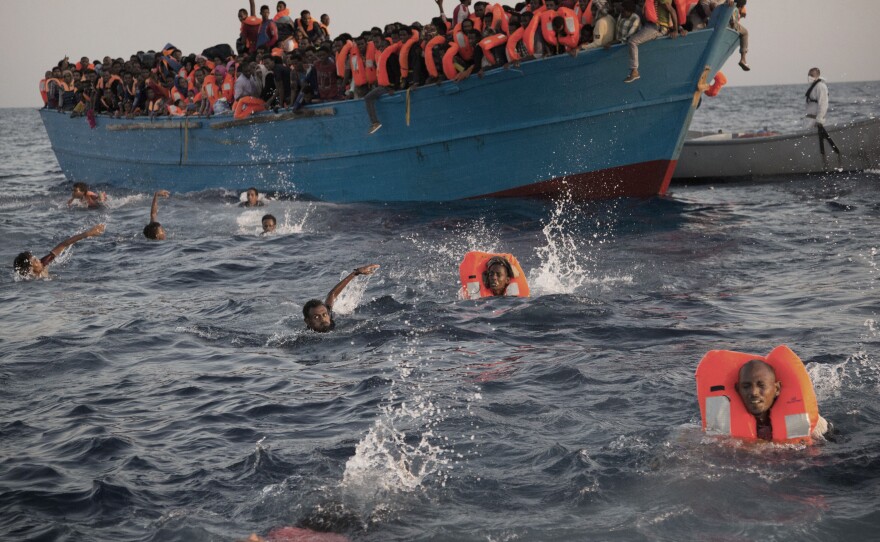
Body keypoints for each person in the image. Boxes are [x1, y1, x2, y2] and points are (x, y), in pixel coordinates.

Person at [736, 359, 829, 441]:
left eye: (761, 385)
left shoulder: (811, 422)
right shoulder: (727, 424)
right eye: (746, 386)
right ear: (738, 389)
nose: (754, 392)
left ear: (776, 389)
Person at [302, 264, 380, 333]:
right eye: (316, 317)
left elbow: (333, 294)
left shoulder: (329, 315)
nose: (322, 319)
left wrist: (356, 272)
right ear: (307, 321)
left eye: (324, 315)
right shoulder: (306, 335)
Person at [13, 224, 106, 279]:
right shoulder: (31, 280)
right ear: (30, 269)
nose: (38, 259)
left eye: (35, 258)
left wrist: (88, 233)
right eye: (34, 261)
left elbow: (64, 244)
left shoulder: (43, 263)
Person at [623, 0, 684, 83]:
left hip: (656, 27)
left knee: (632, 41)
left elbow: (672, 11)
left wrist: (676, 30)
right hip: (651, 25)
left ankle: (634, 71)